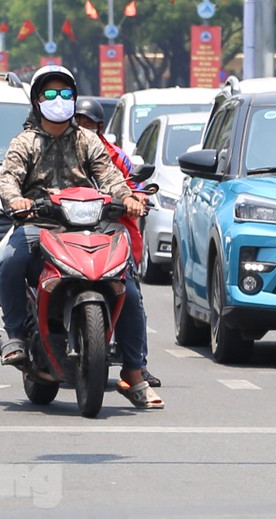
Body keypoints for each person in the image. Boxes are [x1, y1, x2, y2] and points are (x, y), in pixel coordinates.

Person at [0, 65, 161, 410]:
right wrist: (16, 200)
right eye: (51, 95)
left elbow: (110, 176)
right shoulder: (25, 142)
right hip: (40, 223)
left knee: (126, 286)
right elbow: (8, 178)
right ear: (38, 101)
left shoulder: (88, 140)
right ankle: (14, 336)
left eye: (65, 94)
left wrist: (128, 198)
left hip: (90, 225)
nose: (59, 101)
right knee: (12, 260)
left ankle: (134, 370)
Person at [74, 96, 159, 391]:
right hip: (68, 232)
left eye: (89, 124)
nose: (83, 130)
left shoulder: (116, 158)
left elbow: (132, 188)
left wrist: (137, 200)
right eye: (78, 123)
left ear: (99, 127)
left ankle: (137, 365)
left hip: (111, 232)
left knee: (131, 294)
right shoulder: (61, 150)